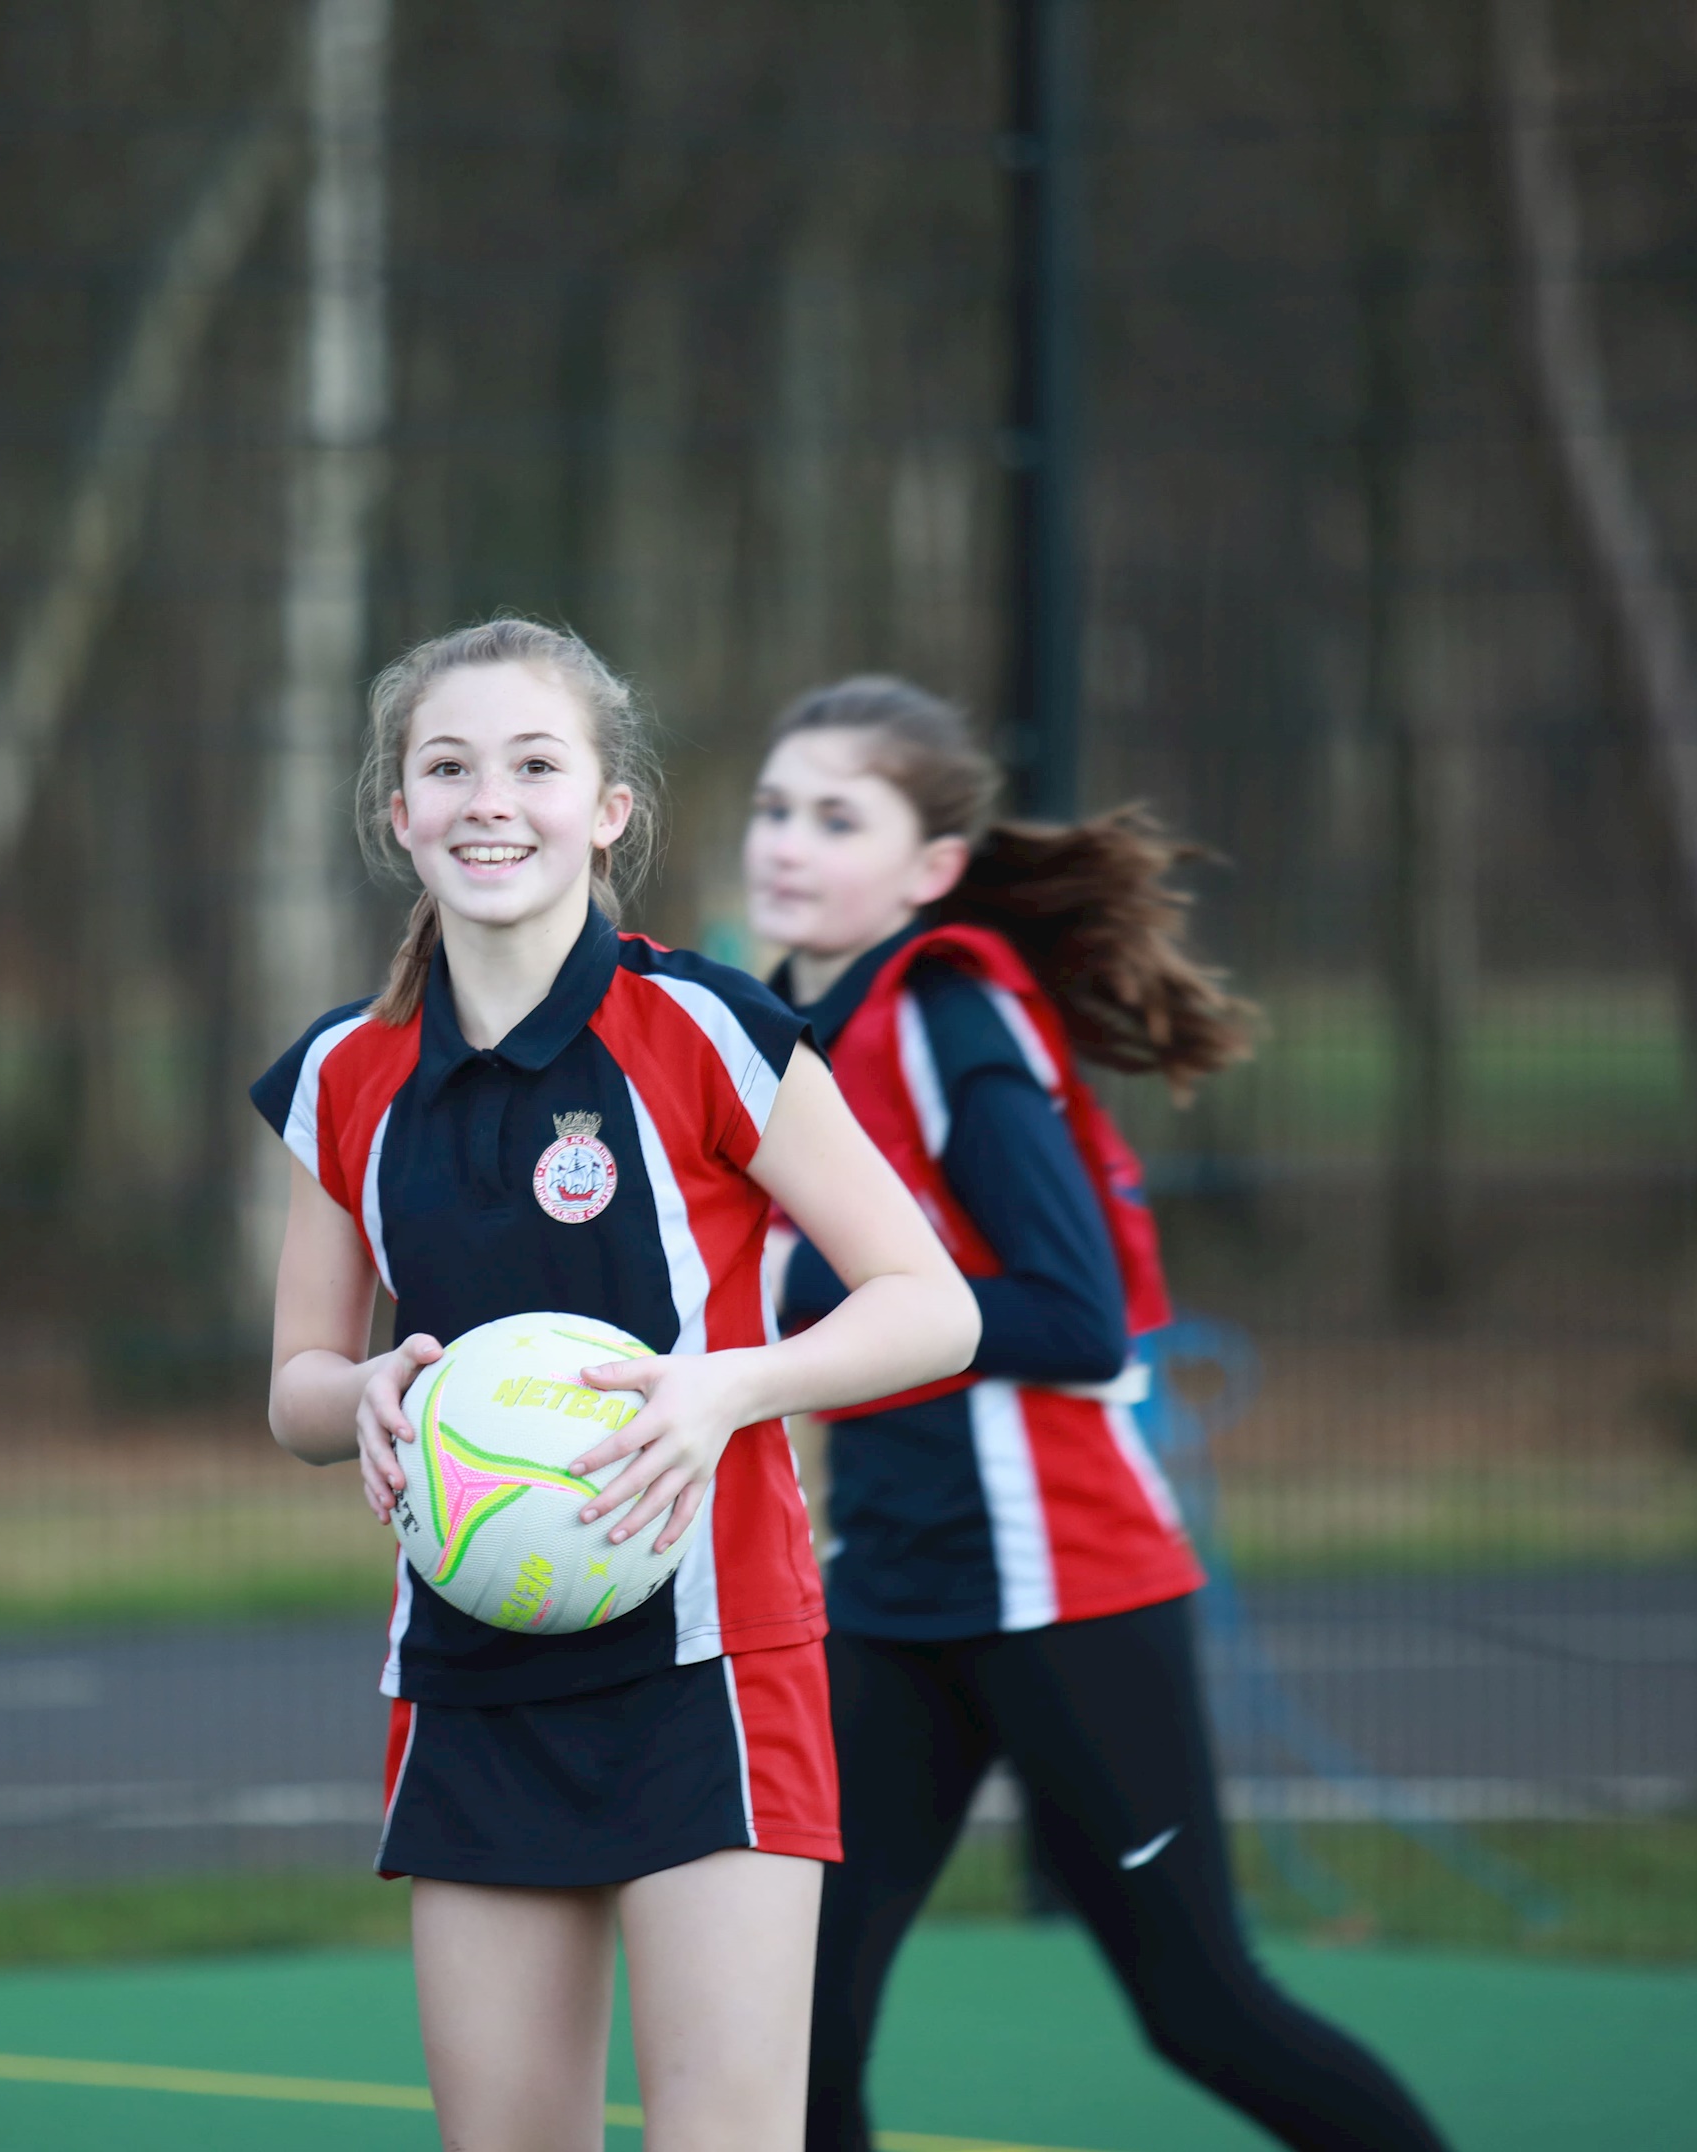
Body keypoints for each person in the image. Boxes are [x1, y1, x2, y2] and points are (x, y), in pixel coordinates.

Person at [254, 619, 979, 2152]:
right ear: (400, 814)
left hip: (713, 1663)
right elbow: (299, 1390)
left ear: (609, 808)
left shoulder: (703, 1028)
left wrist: (733, 1390)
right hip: (472, 1669)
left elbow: (933, 1308)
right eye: (446, 768)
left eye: (535, 764)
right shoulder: (345, 1076)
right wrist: (371, 1392)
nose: (488, 800)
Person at [748, 678, 1450, 2152]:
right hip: (898, 1587)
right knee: (789, 2021)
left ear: (931, 868)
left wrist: (820, 1302)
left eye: (834, 815)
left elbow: (1073, 1317)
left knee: (1201, 2007)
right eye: (771, 807)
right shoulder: (783, 1027)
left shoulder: (942, 1009)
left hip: (1062, 1585)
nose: (786, 841)